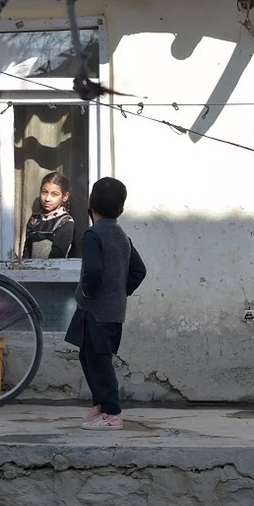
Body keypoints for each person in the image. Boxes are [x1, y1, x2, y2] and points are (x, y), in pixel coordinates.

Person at [64, 177, 146, 431]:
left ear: (89, 204)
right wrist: (120, 292)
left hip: (94, 310)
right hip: (111, 312)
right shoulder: (123, 236)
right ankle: (101, 404)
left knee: (98, 360)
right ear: (120, 210)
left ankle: (112, 413)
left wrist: (90, 293)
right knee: (89, 356)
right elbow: (139, 271)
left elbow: (93, 270)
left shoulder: (92, 235)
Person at [22, 172, 75, 259]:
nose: (47, 199)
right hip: (31, 270)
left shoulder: (65, 222)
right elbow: (26, 253)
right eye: (44, 192)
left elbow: (57, 256)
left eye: (54, 194)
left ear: (65, 196)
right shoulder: (34, 220)